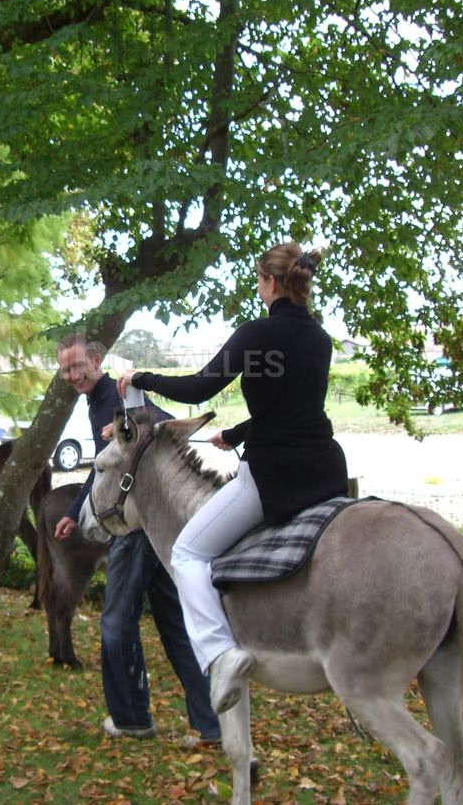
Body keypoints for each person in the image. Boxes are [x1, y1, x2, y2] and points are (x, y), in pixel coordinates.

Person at [117, 242, 348, 715]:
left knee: (186, 552)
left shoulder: (255, 334)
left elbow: (199, 387)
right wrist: (236, 432)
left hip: (274, 478)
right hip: (326, 471)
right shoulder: (320, 338)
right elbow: (294, 410)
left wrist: (144, 378)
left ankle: (220, 655)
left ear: (269, 283)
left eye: (258, 280)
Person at [54, 333, 221, 747]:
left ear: (96, 360)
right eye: (64, 370)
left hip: (137, 530)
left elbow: (159, 424)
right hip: (146, 531)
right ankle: (213, 723)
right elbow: (103, 468)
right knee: (174, 623)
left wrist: (129, 424)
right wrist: (76, 512)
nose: (72, 375)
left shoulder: (120, 393)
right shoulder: (94, 402)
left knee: (115, 623)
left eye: (77, 366)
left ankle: (131, 718)